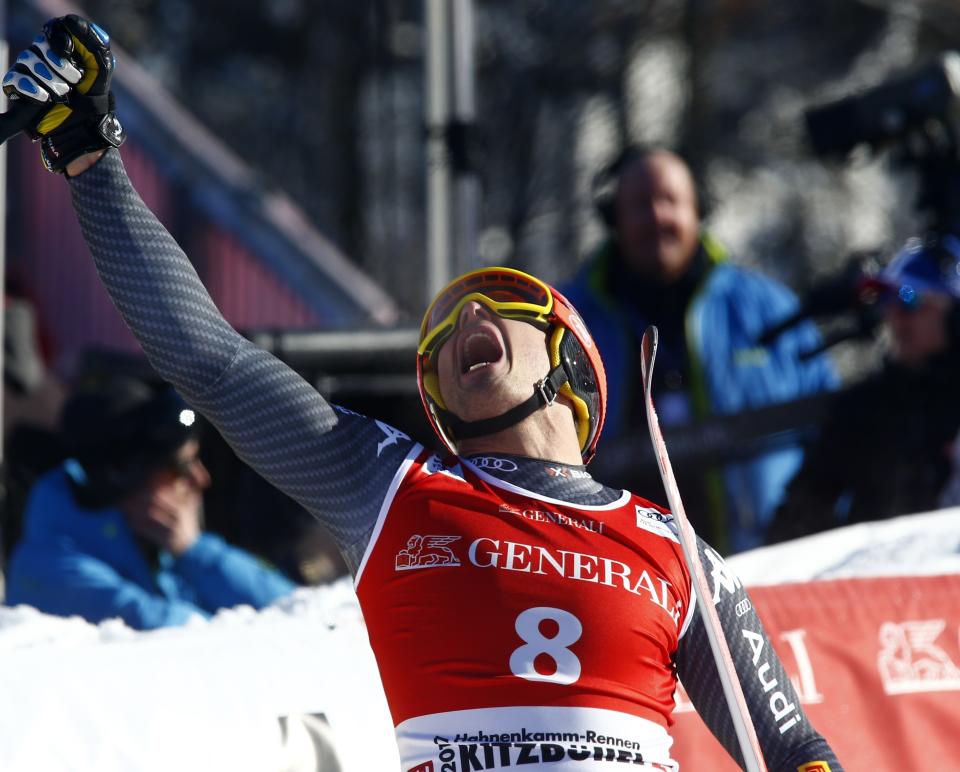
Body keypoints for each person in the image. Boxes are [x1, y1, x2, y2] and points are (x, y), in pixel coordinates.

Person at [2, 17, 843, 769]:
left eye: (505, 306)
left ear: (573, 370)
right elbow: (209, 359)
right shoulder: (388, 484)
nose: (466, 314)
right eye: (438, 342)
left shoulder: (673, 548)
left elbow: (794, 749)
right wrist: (89, 156)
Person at [561, 147, 838, 553]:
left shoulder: (769, 310)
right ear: (613, 218)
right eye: (640, 205)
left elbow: (835, 434)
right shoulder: (568, 322)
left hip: (765, 573)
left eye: (670, 200)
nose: (657, 217)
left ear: (698, 209)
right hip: (618, 580)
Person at [4, 374, 297, 629]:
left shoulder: (161, 544)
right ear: (124, 477)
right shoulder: (48, 567)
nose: (201, 479)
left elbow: (296, 607)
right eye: (182, 466)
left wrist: (195, 552)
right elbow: (187, 635)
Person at [767, 234, 960, 542]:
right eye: (889, 299)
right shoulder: (866, 407)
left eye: (911, 299)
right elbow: (803, 510)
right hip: (879, 578)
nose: (895, 316)